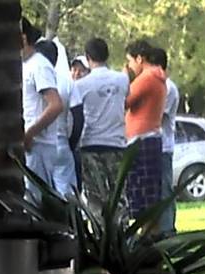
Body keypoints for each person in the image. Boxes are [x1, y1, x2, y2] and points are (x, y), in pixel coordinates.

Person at [69, 38, 130, 214]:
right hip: (116, 143)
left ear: (88, 58)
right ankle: (122, 234)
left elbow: (76, 114)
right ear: (107, 55)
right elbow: (126, 101)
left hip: (91, 143)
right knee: (118, 193)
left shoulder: (81, 85)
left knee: (95, 196)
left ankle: (98, 234)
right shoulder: (122, 80)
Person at [20, 18, 63, 200]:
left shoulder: (39, 65)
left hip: (40, 145)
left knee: (37, 200)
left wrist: (30, 134)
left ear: (23, 38)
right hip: (32, 145)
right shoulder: (26, 65)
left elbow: (55, 105)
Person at [123, 39, 166, 217]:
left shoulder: (147, 78)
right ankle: (149, 237)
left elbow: (124, 100)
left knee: (142, 198)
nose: (130, 66)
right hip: (149, 139)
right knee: (148, 196)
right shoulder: (157, 77)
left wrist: (125, 78)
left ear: (140, 59)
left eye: (130, 61)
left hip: (140, 141)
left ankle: (147, 238)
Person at [33, 39, 76, 197]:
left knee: (37, 193)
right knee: (66, 193)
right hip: (62, 141)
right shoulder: (67, 82)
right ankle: (67, 221)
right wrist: (72, 143)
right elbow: (78, 114)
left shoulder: (32, 75)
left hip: (39, 143)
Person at [146, 46, 179, 236]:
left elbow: (157, 115)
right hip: (151, 146)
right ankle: (153, 231)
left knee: (164, 190)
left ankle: (167, 231)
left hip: (163, 147)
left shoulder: (168, 88)